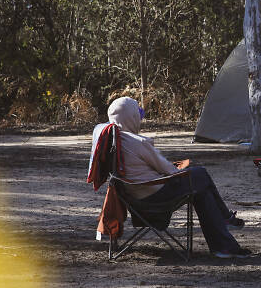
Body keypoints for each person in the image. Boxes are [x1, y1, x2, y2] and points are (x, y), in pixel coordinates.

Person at [92, 96, 251, 259]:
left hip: (135, 196)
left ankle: (224, 244)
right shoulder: (137, 142)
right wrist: (181, 169)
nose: (140, 119)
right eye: (137, 114)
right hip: (155, 195)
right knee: (200, 174)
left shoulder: (115, 140)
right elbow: (168, 170)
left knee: (201, 192)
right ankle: (225, 226)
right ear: (130, 117)